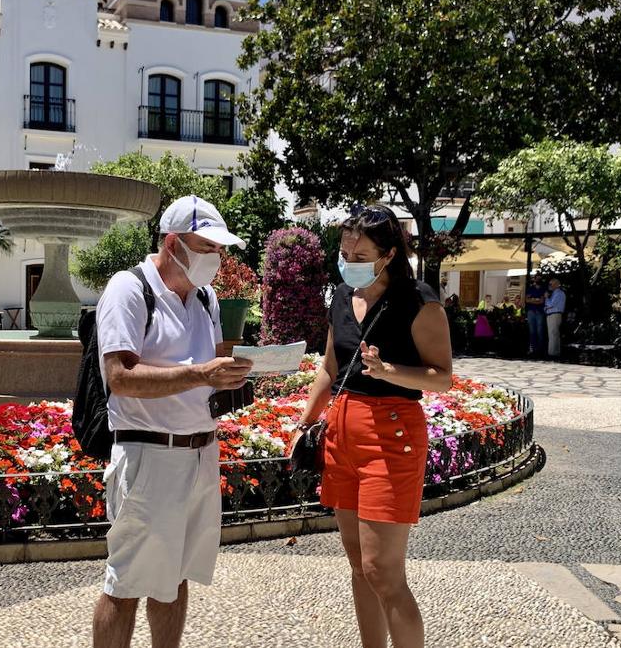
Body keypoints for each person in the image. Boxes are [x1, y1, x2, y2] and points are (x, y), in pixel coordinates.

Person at [92, 195, 254, 648]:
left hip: (200, 453)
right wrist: (201, 374)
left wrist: (238, 371)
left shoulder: (206, 298)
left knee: (176, 577)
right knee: (125, 584)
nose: (215, 258)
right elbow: (119, 377)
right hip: (149, 454)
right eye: (206, 248)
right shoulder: (128, 289)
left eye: (218, 249)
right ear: (172, 243)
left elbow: (207, 368)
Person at [292, 206, 452, 648]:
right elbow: (330, 368)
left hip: (392, 434)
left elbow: (442, 377)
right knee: (360, 566)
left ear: (389, 254)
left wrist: (388, 371)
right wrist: (305, 421)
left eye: (360, 255)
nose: (349, 262)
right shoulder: (342, 296)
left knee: (383, 571)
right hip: (342, 435)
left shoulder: (419, 301)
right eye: (345, 253)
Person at [524, 276, 547, 357]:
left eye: (539, 278)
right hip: (531, 312)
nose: (537, 279)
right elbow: (526, 300)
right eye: (536, 278)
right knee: (532, 331)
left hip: (540, 312)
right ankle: (533, 350)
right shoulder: (530, 288)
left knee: (540, 331)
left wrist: (532, 300)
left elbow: (542, 301)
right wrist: (536, 300)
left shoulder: (543, 289)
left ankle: (540, 350)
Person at [545, 278, 567, 359]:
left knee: (552, 334)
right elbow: (547, 306)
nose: (549, 286)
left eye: (551, 284)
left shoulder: (558, 293)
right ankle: (555, 353)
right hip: (553, 315)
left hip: (554, 315)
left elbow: (550, 304)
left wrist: (546, 298)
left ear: (556, 284)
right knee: (554, 334)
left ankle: (552, 354)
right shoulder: (555, 293)